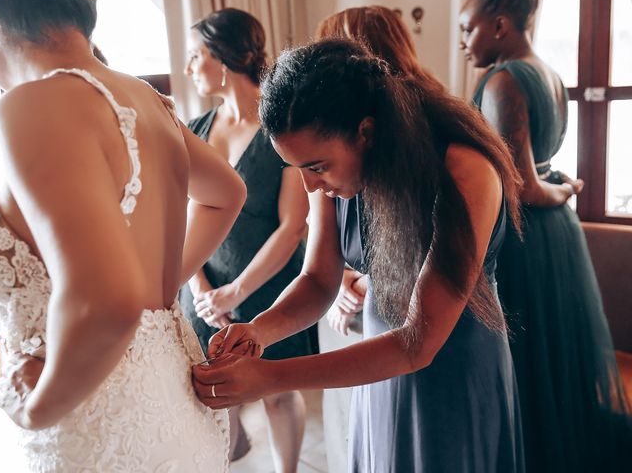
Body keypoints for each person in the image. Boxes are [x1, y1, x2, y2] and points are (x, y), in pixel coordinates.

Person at [192, 36, 526, 472]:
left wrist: (271, 377)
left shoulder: (464, 170)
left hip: (451, 363)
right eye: (298, 170)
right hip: (377, 360)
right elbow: (318, 280)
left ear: (366, 132)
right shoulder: (330, 175)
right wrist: (259, 332)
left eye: (316, 167)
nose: (310, 186)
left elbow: (418, 344)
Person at [0, 0, 247, 471]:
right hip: (176, 398)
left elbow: (107, 302)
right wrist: (162, 284)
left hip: (89, 419)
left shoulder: (31, 105)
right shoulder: (143, 97)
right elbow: (226, 193)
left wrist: (37, 408)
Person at [459, 0, 631, 471]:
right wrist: (564, 185)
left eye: (467, 28)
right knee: (552, 357)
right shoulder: (549, 74)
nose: (461, 42)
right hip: (556, 237)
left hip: (524, 239)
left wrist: (564, 190)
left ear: (498, 25)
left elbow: (522, 187)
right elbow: (541, 170)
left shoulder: (504, 80)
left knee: (525, 359)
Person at [181, 8, 311, 471]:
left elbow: (292, 226)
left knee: (275, 391)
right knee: (216, 392)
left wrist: (237, 292)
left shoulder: (280, 124)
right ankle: (231, 460)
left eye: (195, 56)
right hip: (202, 292)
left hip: (268, 286)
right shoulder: (193, 131)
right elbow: (181, 219)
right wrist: (201, 290)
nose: (189, 67)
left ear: (221, 57)